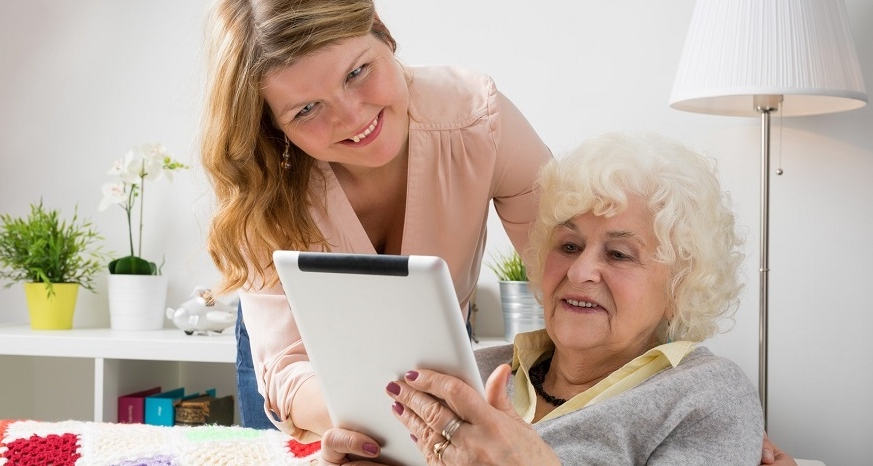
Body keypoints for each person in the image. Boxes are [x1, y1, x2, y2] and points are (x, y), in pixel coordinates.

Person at [200, 0, 551, 440]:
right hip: (302, 370)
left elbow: (569, 272)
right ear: (274, 126)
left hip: (431, 351)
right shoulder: (261, 186)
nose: (352, 116)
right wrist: (386, 416)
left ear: (382, 32)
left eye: (356, 72)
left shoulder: (478, 118)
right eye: (306, 110)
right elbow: (287, 372)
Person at [319, 132, 780, 465]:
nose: (580, 272)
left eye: (619, 254)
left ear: (680, 287)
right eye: (569, 246)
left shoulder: (706, 395)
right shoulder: (469, 371)